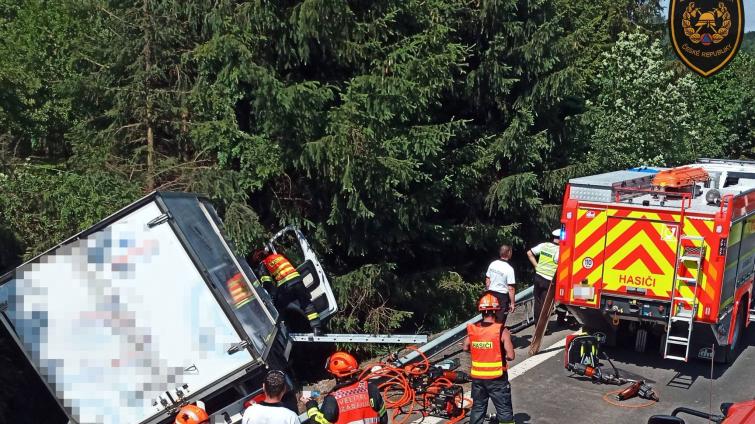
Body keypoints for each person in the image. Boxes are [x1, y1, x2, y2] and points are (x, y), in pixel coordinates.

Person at [464, 293, 515, 424]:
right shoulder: (501, 331)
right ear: (496, 311)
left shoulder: (474, 329)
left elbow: (465, 347)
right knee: (504, 410)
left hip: (478, 378)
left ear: (481, 311)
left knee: (478, 408)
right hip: (497, 378)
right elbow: (511, 356)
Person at [251, 247, 323, 336]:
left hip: (285, 285)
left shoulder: (264, 263)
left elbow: (267, 282)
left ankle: (286, 331)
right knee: (306, 303)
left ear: (258, 259)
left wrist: (272, 296)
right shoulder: (278, 256)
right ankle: (317, 329)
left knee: (278, 307)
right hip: (298, 281)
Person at [305, 351, 388, 424]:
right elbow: (384, 419)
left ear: (335, 375)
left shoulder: (333, 399)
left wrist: (310, 404)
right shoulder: (370, 388)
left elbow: (317, 422)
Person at [527, 229, 561, 325]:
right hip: (549, 280)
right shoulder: (560, 250)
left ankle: (537, 324)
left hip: (538, 277)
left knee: (537, 301)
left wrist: (536, 266)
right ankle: (542, 327)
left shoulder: (544, 245)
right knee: (545, 304)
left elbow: (529, 253)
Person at [484, 244, 516, 324]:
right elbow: (511, 288)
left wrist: (488, 290)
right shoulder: (509, 269)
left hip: (490, 295)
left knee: (489, 319)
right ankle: (497, 336)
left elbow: (487, 280)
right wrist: (512, 303)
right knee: (499, 322)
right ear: (508, 253)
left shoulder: (493, 264)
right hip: (501, 297)